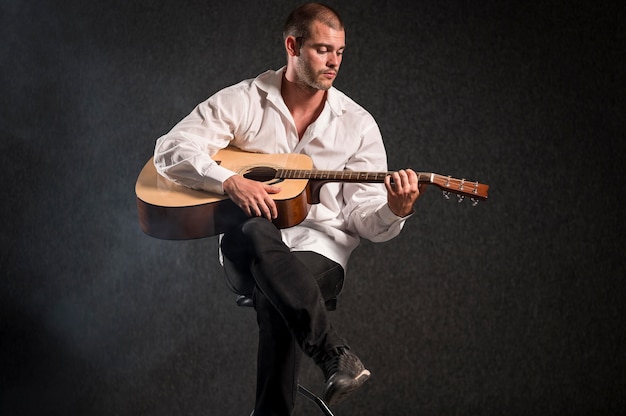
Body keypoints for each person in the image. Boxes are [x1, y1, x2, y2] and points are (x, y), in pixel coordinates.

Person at [153, 3, 422, 415]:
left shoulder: (358, 124)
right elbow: (170, 149)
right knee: (257, 227)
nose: (334, 62)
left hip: (321, 253)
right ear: (292, 46)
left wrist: (393, 209)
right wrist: (228, 180)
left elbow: (363, 219)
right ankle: (332, 351)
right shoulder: (244, 100)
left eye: (340, 51)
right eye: (322, 50)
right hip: (244, 251)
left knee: (275, 294)